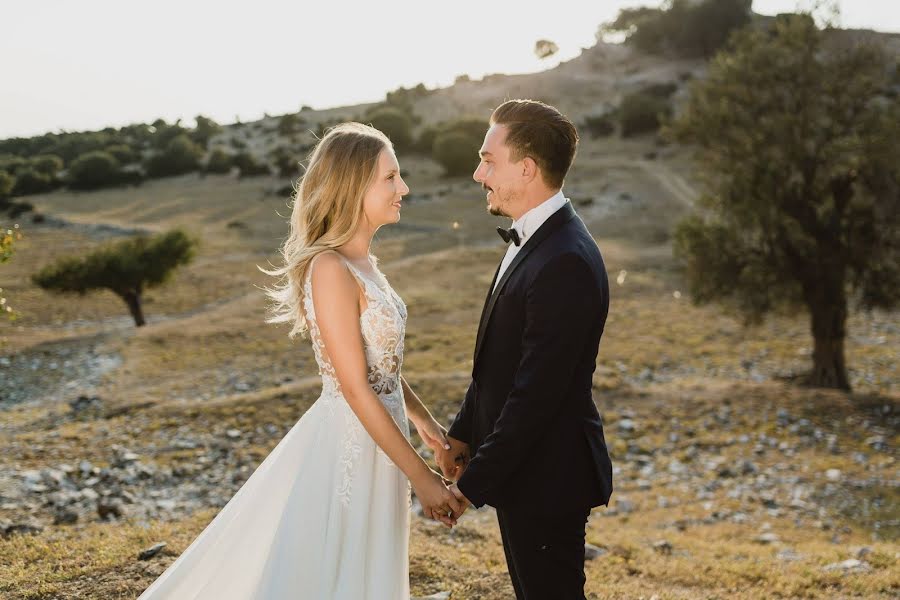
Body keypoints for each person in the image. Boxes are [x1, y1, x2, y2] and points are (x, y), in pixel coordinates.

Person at [138, 122, 462, 600]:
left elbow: (382, 365)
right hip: (349, 443)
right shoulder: (329, 268)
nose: (404, 188)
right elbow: (354, 386)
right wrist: (421, 476)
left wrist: (429, 427)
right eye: (390, 178)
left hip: (384, 439)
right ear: (353, 186)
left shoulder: (367, 264)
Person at [436, 99, 614, 600]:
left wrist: (470, 488)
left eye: (489, 160)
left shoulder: (565, 259)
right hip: (527, 472)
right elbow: (499, 363)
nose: (477, 173)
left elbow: (538, 395)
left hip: (549, 476)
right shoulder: (534, 240)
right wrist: (463, 436)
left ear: (527, 168)